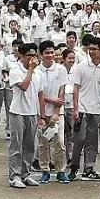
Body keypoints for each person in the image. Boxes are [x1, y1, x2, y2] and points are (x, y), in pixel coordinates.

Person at [70, 35, 100, 181]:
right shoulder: (81, 67)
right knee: (79, 139)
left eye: (94, 49)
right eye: (90, 49)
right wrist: (75, 109)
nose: (91, 52)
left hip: (96, 109)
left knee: (92, 140)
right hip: (82, 108)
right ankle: (73, 168)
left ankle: (89, 168)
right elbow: (76, 89)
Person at [8, 43, 42, 189]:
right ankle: (14, 176)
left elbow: (40, 94)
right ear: (21, 56)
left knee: (29, 145)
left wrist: (41, 115)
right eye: (29, 55)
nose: (32, 58)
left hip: (32, 112)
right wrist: (30, 69)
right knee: (16, 144)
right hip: (18, 112)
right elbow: (24, 86)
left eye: (34, 55)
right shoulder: (16, 69)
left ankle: (25, 173)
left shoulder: (38, 73)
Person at [35, 40, 69, 184]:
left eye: (52, 53)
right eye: (47, 53)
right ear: (41, 55)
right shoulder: (36, 70)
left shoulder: (60, 69)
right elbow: (38, 94)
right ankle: (45, 170)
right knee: (43, 142)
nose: (50, 56)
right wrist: (49, 101)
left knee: (59, 141)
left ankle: (61, 170)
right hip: (41, 112)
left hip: (57, 113)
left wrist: (56, 110)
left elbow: (61, 93)